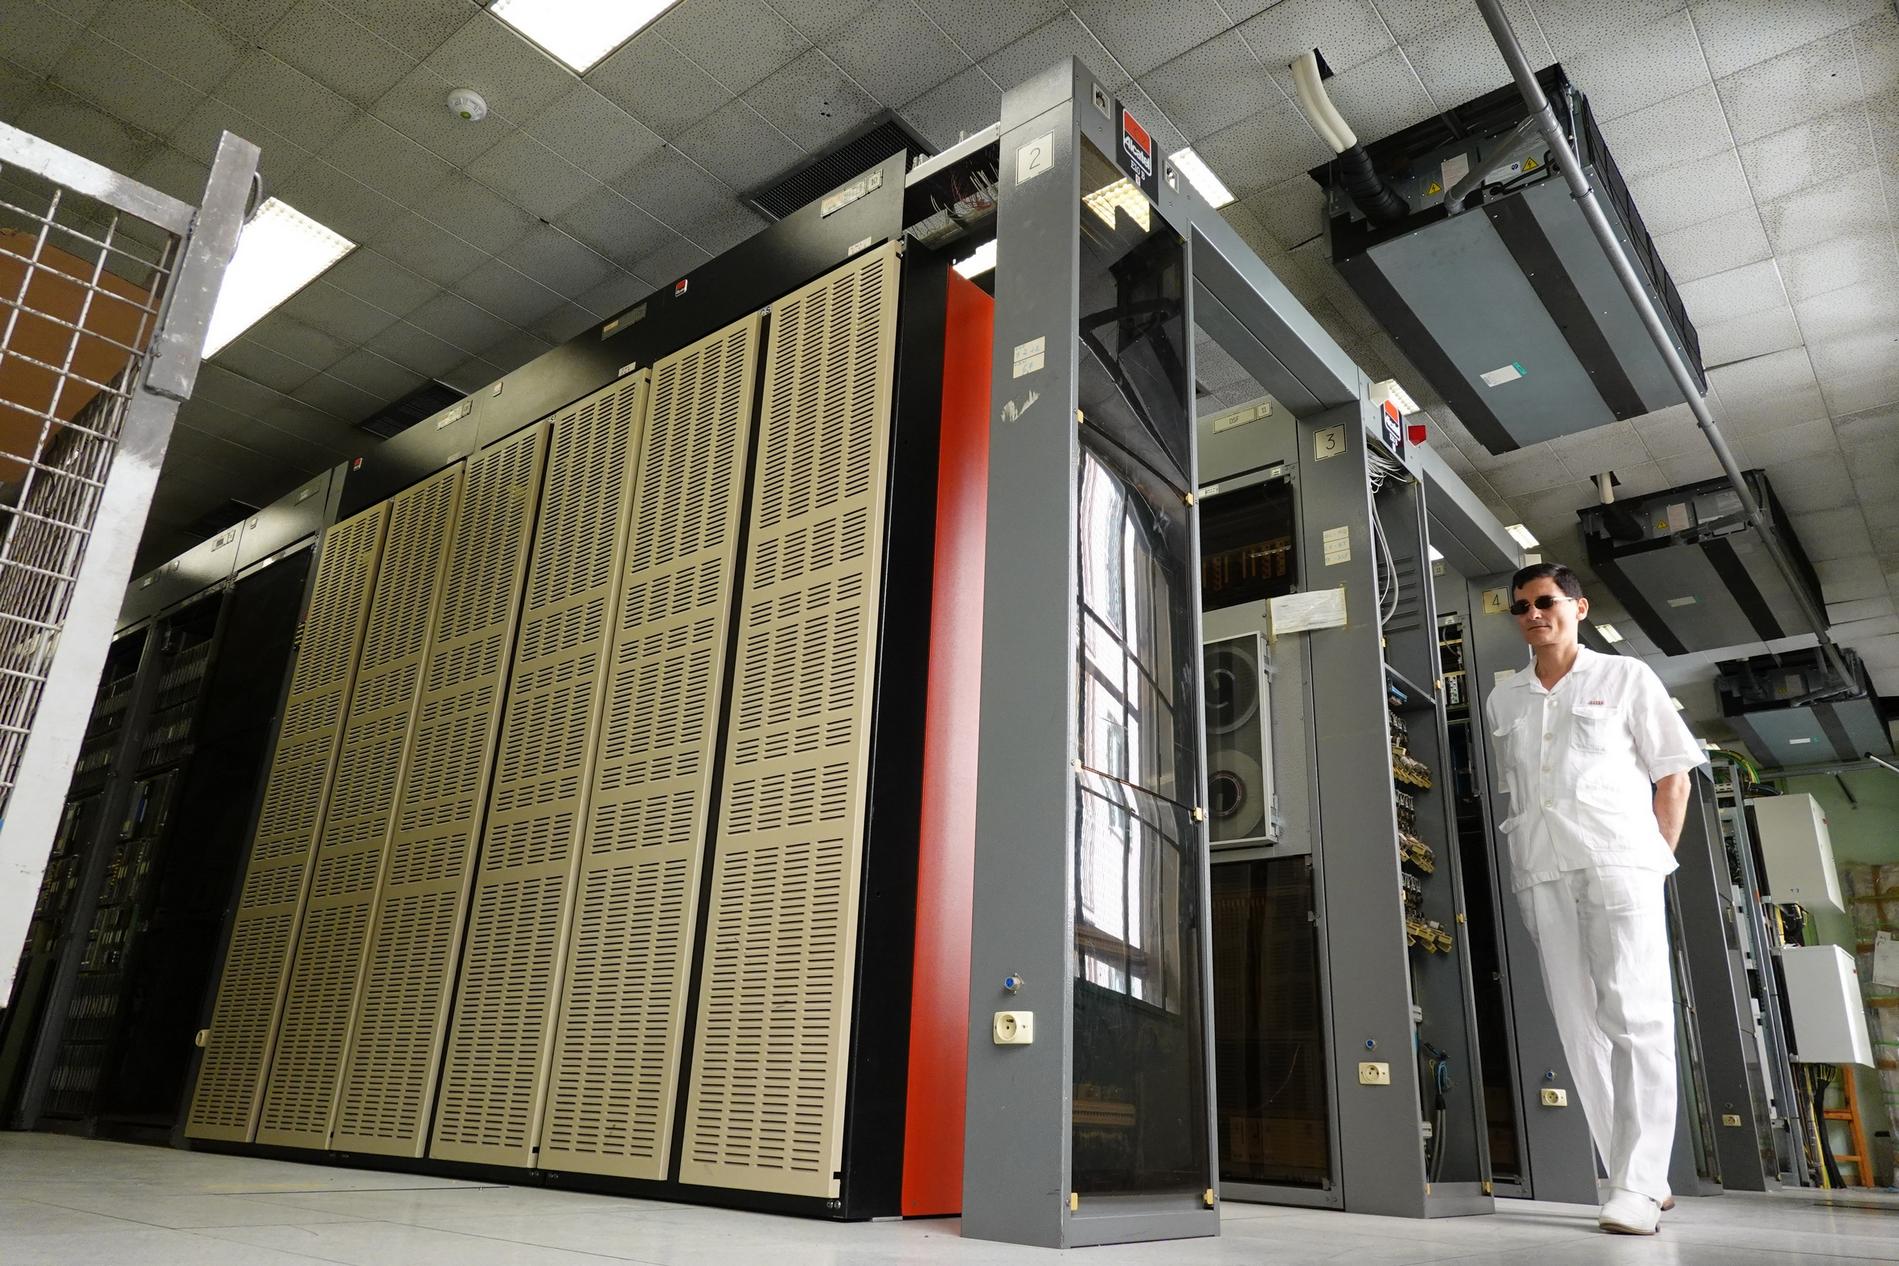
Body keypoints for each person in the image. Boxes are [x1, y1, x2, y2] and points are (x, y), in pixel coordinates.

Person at [1484, 562, 1706, 1236]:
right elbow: (1520, 792)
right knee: (1579, 1027)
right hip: (1541, 870)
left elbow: (1673, 777)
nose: (1532, 615)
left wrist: (1655, 860)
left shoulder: (1625, 677)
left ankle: (1636, 1185)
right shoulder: (1505, 699)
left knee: (1634, 1018)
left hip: (1618, 863)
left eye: (1545, 601)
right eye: (1520, 607)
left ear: (1578, 608)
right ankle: (1635, 1177)